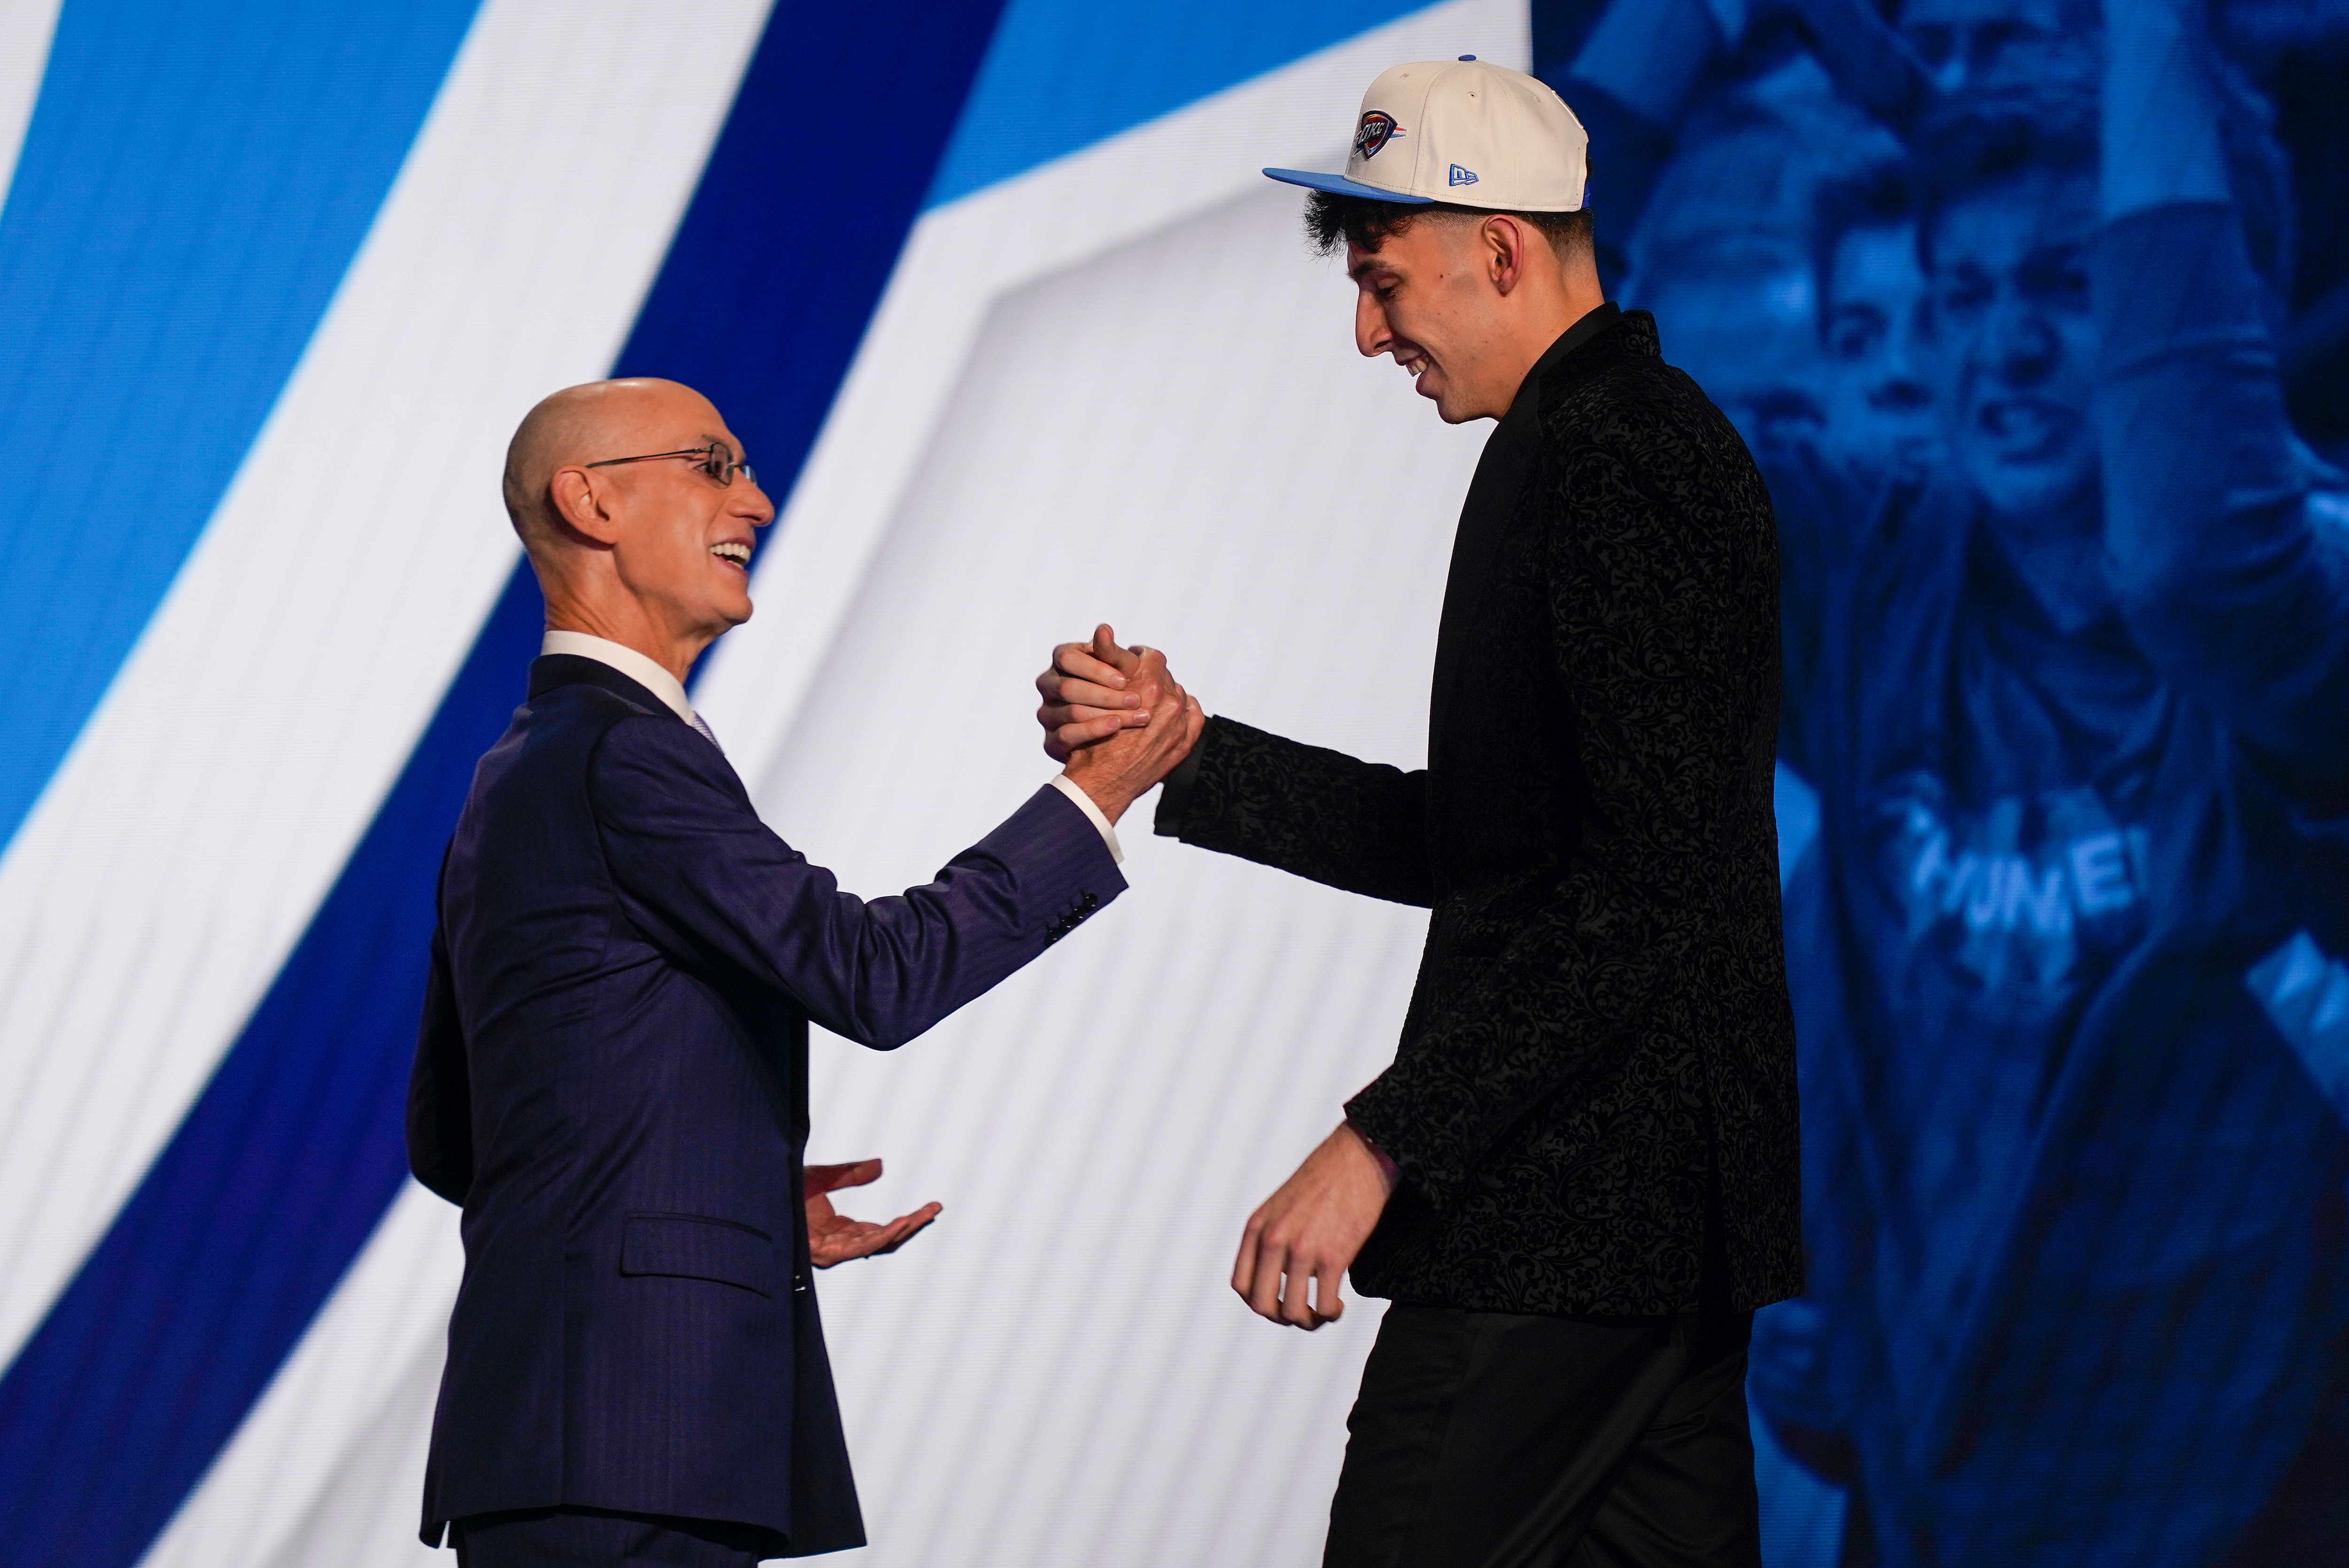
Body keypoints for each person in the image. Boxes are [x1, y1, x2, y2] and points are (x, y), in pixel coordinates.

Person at [1041, 58, 1800, 1566]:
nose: (1366, 330)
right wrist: (1190, 752)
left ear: (1502, 250)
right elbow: (1501, 851)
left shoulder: (1617, 456)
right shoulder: (1594, 444)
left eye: (1386, 283)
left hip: (1564, 1230)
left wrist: (1381, 1145)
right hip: (1632, 1242)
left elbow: (1643, 894)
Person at [406, 377, 1197, 1565]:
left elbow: (454, 1134)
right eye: (713, 464)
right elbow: (875, 973)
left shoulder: (524, 768)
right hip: (627, 1444)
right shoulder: (626, 757)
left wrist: (712, 1187)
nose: (759, 500)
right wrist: (1100, 793)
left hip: (585, 1444)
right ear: (591, 501)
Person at [1749, 4, 2349, 1558]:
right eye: (1962, 294)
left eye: (2073, 287)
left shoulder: (2306, 594)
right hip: (1935, 1497)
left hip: (2234, 1506)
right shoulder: (1876, 576)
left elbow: (2203, 547)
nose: (1998, 344)